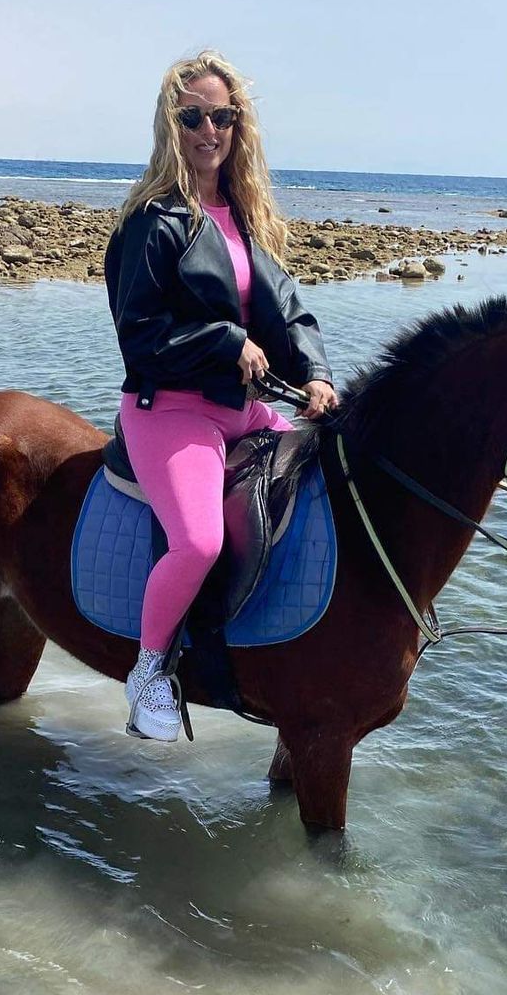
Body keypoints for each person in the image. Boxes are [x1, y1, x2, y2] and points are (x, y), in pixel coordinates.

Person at [103, 50, 338, 741]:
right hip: (169, 409)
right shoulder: (151, 221)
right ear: (171, 124)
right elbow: (139, 337)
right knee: (200, 541)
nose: (211, 130)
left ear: (240, 125)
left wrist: (317, 374)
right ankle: (149, 669)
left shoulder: (242, 217)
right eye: (194, 117)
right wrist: (224, 342)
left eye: (224, 116)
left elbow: (289, 311)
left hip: (241, 411)